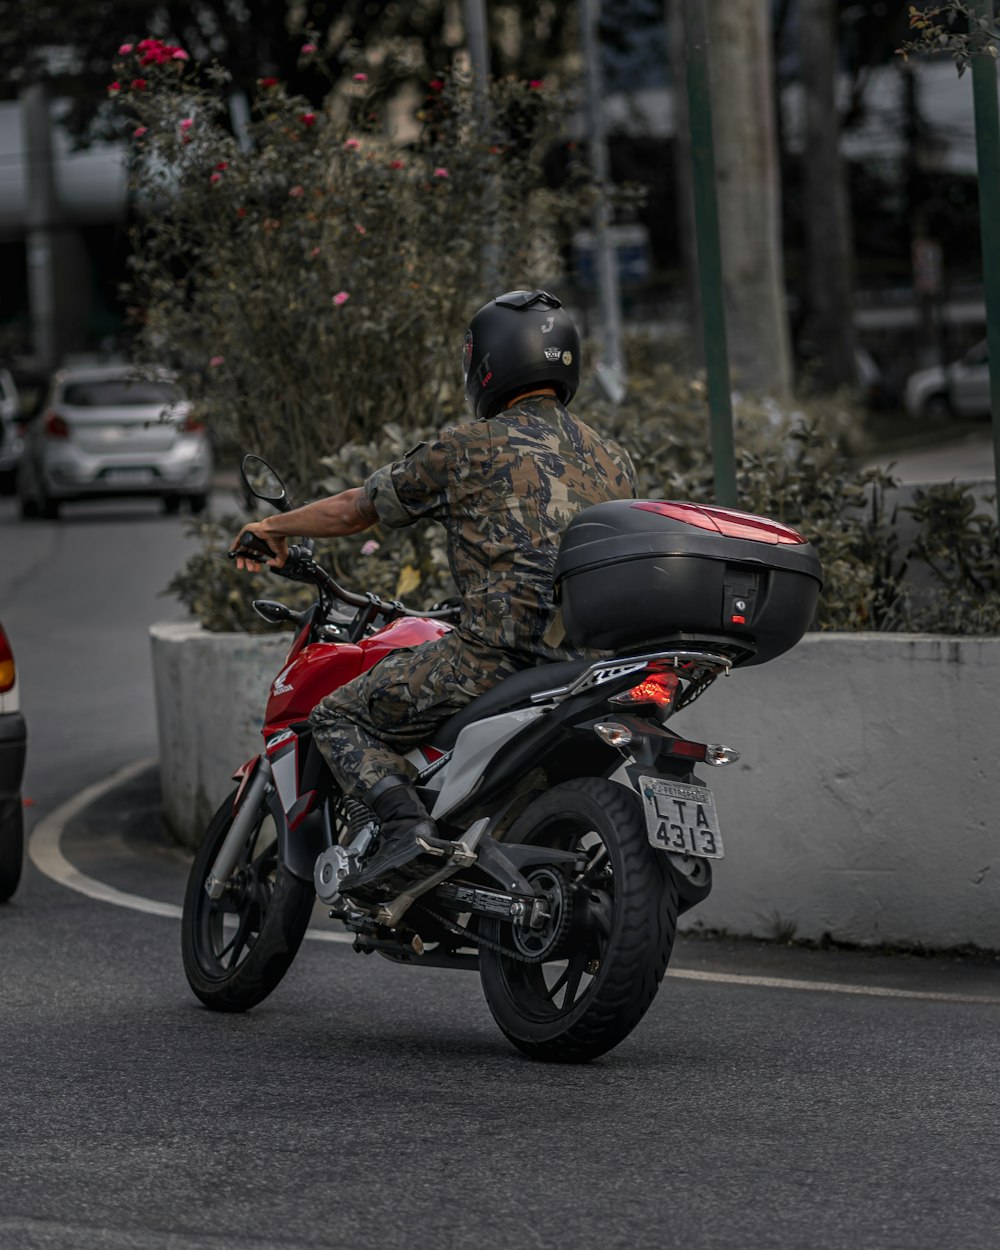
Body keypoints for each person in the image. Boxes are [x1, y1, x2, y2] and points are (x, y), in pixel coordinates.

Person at [231, 289, 636, 896]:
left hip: (493, 663)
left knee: (336, 714)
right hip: (585, 667)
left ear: (487, 363)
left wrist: (271, 527)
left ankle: (404, 831)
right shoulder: (613, 459)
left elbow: (354, 512)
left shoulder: (470, 446)